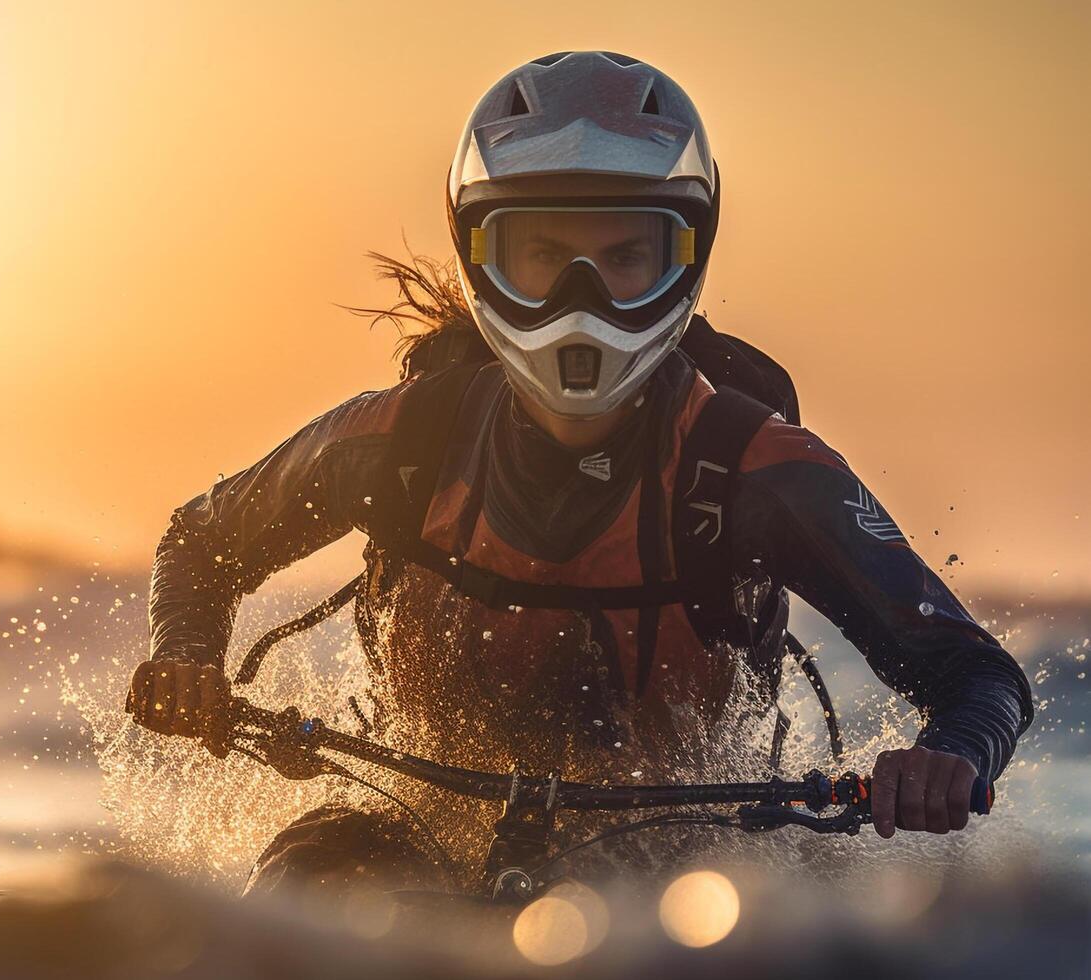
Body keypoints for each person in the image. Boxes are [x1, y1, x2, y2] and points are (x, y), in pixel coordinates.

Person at [125, 51, 1032, 899]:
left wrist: (949, 756)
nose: (581, 302)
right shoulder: (400, 441)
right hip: (420, 827)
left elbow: (978, 678)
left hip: (684, 863)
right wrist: (186, 655)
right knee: (309, 875)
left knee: (729, 926)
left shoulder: (756, 470)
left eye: (626, 257)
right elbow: (201, 538)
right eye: (545, 256)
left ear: (686, 259)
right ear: (482, 255)